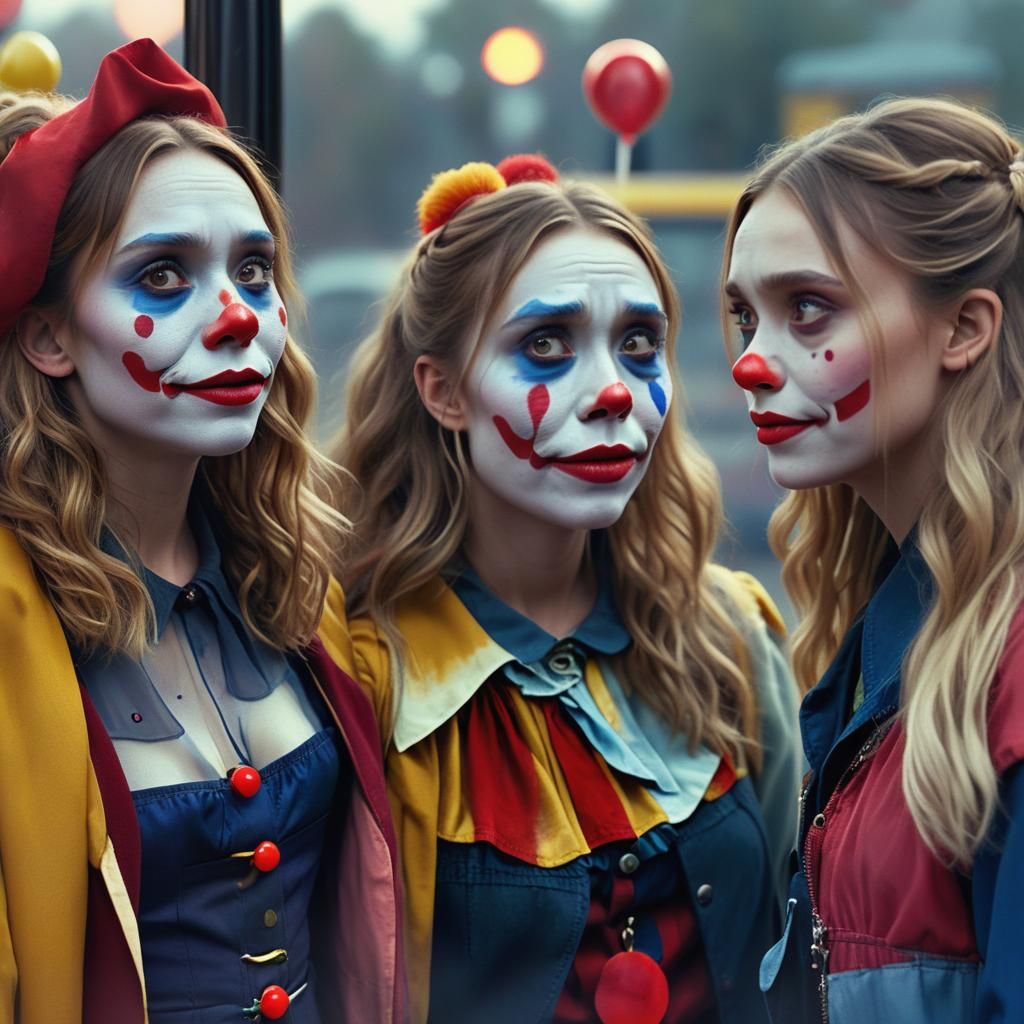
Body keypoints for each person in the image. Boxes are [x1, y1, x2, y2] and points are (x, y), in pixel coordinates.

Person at [331, 154, 801, 1024]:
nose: (614, 391)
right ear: (443, 391)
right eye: (545, 344)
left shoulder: (731, 635)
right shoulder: (366, 674)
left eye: (637, 344)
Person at [0, 39, 404, 1024]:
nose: (237, 319)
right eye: (165, 276)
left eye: (255, 271)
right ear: (50, 335)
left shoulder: (301, 582)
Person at [724, 96, 1024, 1023]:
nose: (750, 364)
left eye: (806, 308)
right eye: (744, 316)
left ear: (964, 330)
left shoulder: (1008, 659)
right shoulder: (897, 614)